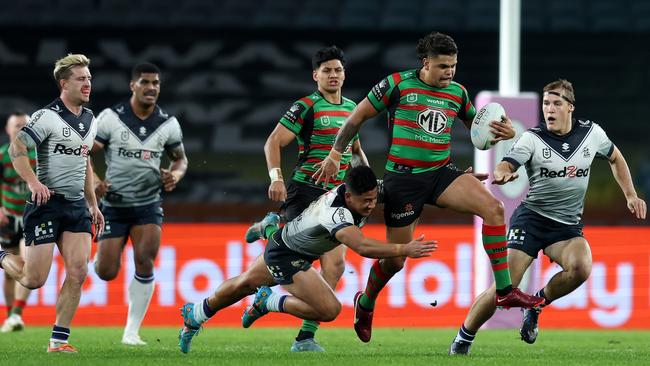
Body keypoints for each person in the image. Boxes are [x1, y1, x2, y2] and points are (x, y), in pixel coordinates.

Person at [313, 32, 545, 343]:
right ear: (425, 63)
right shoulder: (398, 84)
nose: (449, 72)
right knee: (395, 260)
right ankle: (366, 302)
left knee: (494, 208)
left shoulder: (458, 93)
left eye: (453, 66)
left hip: (440, 174)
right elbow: (357, 118)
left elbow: (479, 133)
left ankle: (504, 291)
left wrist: (499, 134)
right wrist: (336, 151)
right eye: (443, 66)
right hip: (404, 180)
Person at [448, 79, 647, 355]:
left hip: (566, 227)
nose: (549, 109)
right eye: (545, 104)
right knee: (506, 287)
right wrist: (504, 171)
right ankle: (462, 339)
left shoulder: (592, 133)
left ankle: (537, 304)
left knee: (581, 268)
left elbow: (615, 157)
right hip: (532, 220)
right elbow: (508, 162)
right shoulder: (533, 138)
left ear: (570, 108)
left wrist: (630, 194)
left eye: (556, 103)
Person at [177, 166, 437, 354]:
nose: (371, 205)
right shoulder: (335, 213)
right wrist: (405, 248)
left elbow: (409, 187)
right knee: (330, 310)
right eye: (365, 201)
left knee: (244, 284)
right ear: (348, 196)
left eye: (373, 199)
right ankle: (270, 301)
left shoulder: (365, 192)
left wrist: (455, 182)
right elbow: (361, 245)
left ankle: (195, 314)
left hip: (291, 244)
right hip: (287, 255)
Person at [244, 45, 368, 352]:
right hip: (307, 190)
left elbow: (354, 152)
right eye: (326, 70)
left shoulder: (352, 108)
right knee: (293, 261)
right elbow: (273, 141)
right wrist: (277, 178)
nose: (333, 75)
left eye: (338, 70)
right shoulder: (306, 107)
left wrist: (367, 182)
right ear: (316, 76)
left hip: (336, 197)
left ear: (344, 74)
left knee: (336, 265)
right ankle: (271, 229)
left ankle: (305, 337)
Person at [0, 54, 104, 353]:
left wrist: (92, 203)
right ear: (64, 83)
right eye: (81, 79)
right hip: (46, 205)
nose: (88, 83)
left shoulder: (90, 119)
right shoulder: (47, 117)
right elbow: (17, 146)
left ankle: (58, 341)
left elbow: (84, 161)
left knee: (78, 271)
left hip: (76, 207)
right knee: (33, 280)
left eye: (89, 78)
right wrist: (33, 182)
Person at [92, 62, 187, 346]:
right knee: (106, 272)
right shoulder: (111, 118)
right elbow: (84, 153)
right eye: (145, 82)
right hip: (114, 204)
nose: (151, 88)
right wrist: (95, 180)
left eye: (156, 83)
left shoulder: (168, 124)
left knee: (145, 260)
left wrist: (176, 175)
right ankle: (99, 258)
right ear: (133, 85)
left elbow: (180, 159)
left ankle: (131, 332)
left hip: (148, 203)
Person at [0, 111, 35, 333]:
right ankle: (10, 316)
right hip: (9, 218)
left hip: (32, 217)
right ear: (8, 129)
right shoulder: (3, 155)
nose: (21, 130)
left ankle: (16, 314)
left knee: (28, 262)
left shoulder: (40, 155)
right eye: (16, 126)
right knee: (10, 271)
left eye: (25, 126)